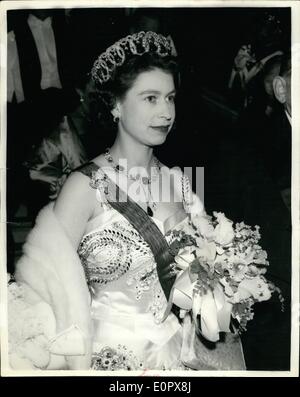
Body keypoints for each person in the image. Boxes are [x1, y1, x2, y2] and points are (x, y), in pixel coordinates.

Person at [9, 31, 245, 371]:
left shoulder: (180, 181)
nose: (166, 112)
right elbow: (42, 293)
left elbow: (202, 279)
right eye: (151, 98)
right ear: (116, 105)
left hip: (178, 354)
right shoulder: (83, 186)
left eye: (171, 98)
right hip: (109, 359)